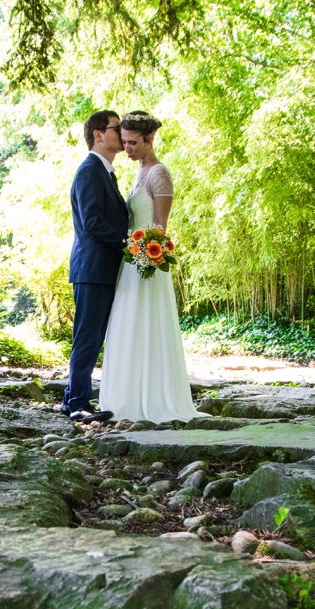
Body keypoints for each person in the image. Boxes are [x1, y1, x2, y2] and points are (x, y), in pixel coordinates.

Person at [98, 111, 201, 423]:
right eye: (124, 142)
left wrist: (146, 255)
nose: (126, 148)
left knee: (146, 326)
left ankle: (154, 399)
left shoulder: (158, 173)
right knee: (128, 327)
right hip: (132, 262)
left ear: (150, 139)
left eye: (132, 143)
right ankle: (128, 397)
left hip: (148, 266)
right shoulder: (140, 171)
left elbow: (160, 228)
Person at [61, 110, 130, 424]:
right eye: (117, 128)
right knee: (88, 337)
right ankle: (77, 403)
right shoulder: (90, 170)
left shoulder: (105, 172)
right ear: (99, 134)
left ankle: (71, 399)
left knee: (91, 335)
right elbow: (92, 223)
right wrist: (129, 243)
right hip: (92, 268)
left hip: (101, 268)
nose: (122, 134)